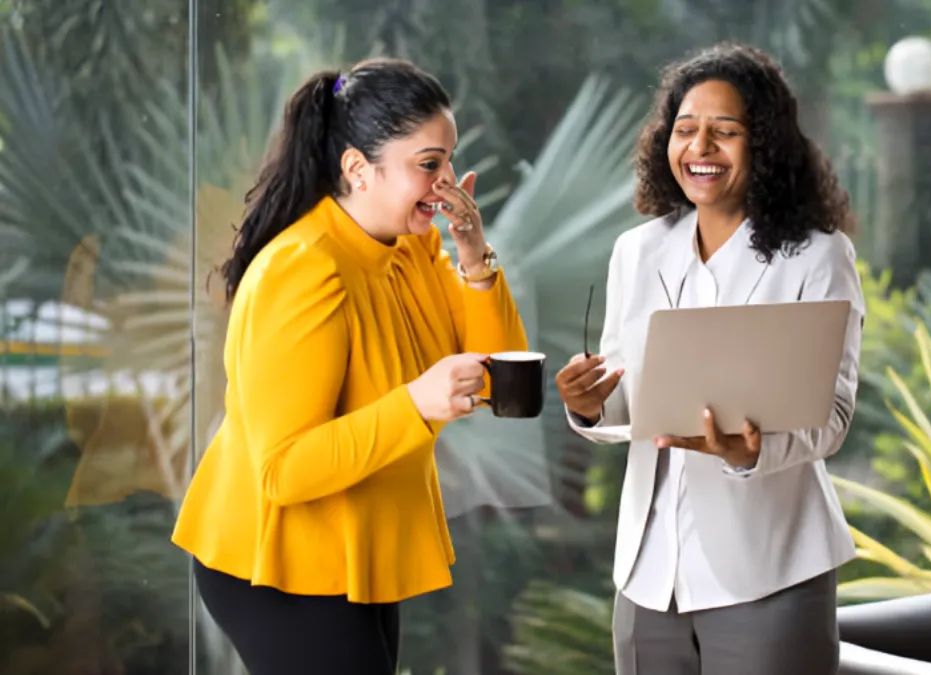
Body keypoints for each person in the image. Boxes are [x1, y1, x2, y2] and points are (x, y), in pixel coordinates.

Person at [171, 58, 528, 675]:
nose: (448, 185)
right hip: (277, 562)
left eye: (448, 160)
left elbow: (498, 373)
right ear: (358, 169)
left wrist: (474, 255)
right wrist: (415, 404)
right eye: (428, 165)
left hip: (350, 549)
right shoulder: (303, 271)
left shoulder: (410, 247)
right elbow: (282, 470)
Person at [555, 43, 863, 674]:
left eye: (725, 132)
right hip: (648, 574)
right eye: (686, 130)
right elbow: (626, 393)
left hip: (768, 569)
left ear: (766, 144)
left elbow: (831, 417)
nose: (700, 148)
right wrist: (589, 406)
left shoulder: (818, 256)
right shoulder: (636, 252)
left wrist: (750, 452)